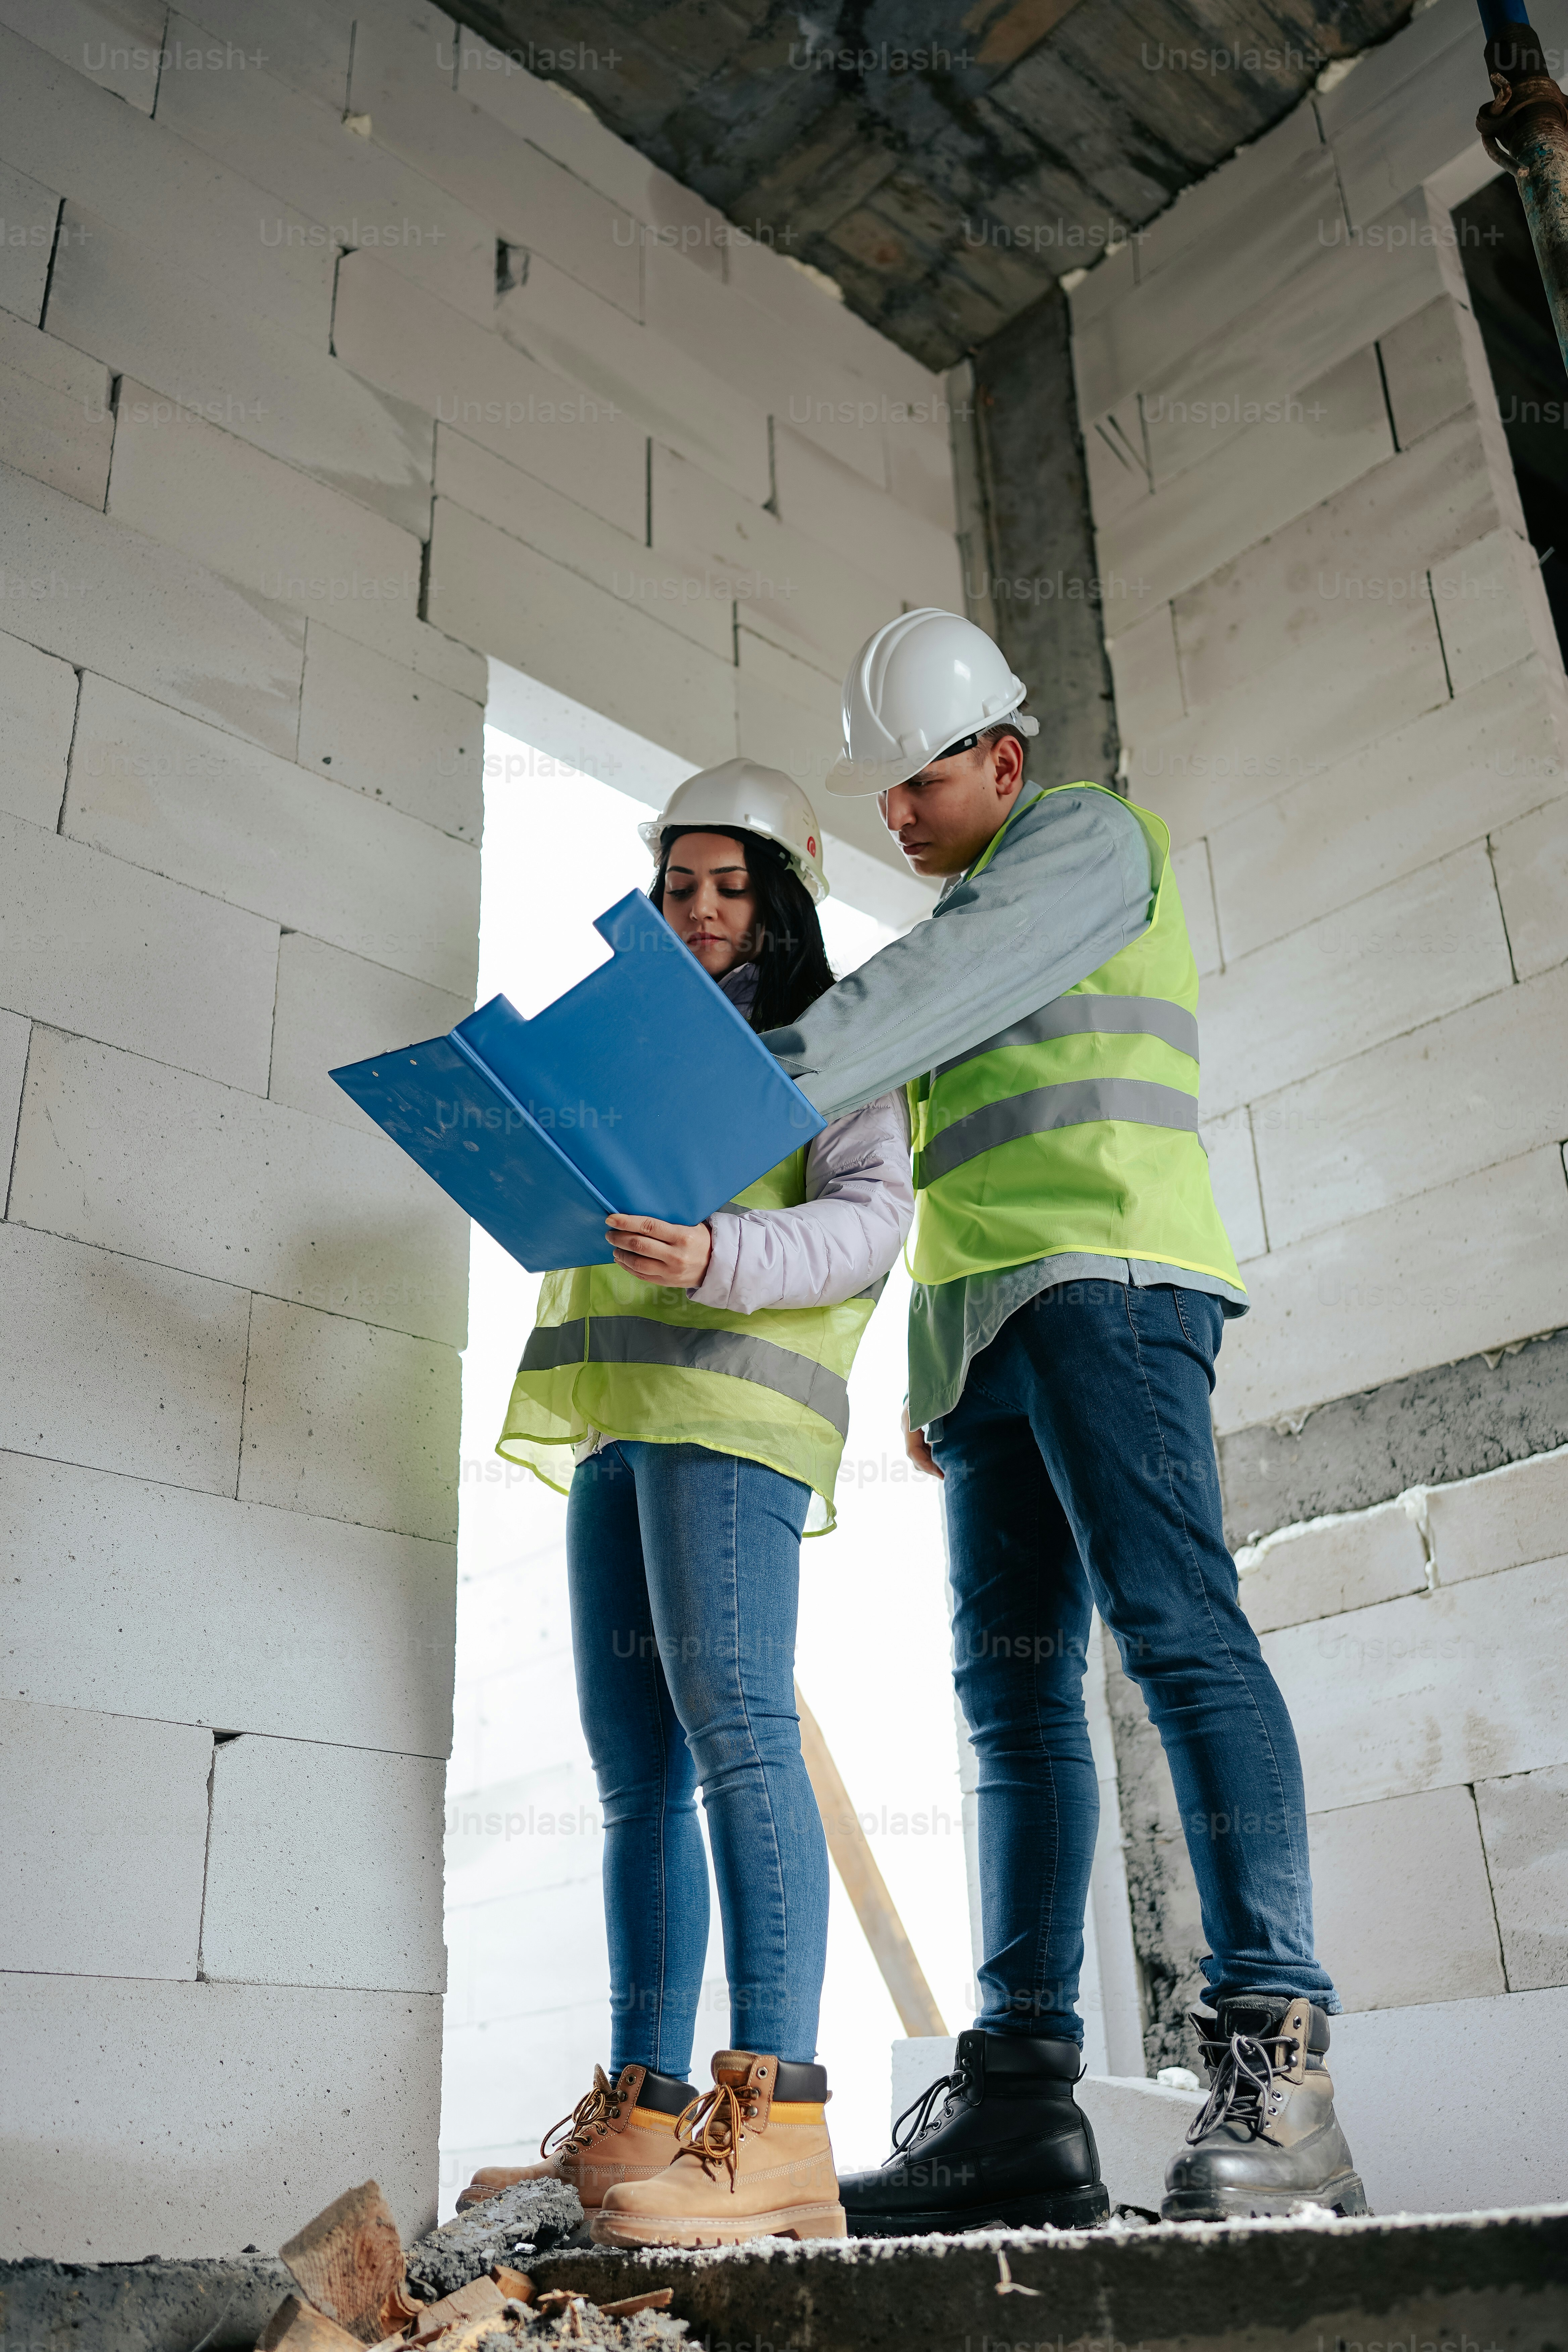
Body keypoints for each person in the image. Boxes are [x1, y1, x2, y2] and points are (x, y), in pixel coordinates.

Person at [758, 611, 1366, 2232]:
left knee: (1180, 1637)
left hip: (1110, 1286)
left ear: (1001, 758)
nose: (894, 816)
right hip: (991, 1342)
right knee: (1012, 1707)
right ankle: (1021, 2105)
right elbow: (952, 1163)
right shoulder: (985, 901)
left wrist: (741, 1080)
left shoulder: (1084, 843)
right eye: (880, 794)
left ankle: (1278, 2063)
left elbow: (932, 998)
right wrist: (930, 1374)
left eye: (916, 782)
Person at [457, 760, 913, 2249]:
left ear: (779, 901)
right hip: (618, 1425)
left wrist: (713, 1253)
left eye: (731, 885)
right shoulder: (630, 1048)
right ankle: (645, 2117)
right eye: (680, 885)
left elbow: (865, 1228)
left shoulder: (830, 1045)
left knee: (732, 1736)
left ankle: (776, 2126)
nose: (702, 909)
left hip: (728, 1416)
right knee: (633, 1774)